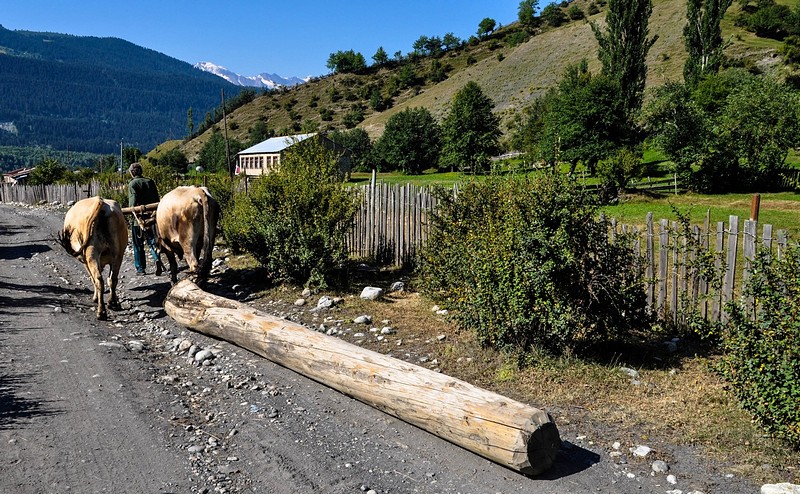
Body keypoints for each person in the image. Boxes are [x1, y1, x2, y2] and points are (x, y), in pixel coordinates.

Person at [127, 162, 165, 275]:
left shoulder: (132, 184)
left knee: (138, 244)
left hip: (138, 220)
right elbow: (157, 199)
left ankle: (140, 268)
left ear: (132, 173)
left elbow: (132, 204)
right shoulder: (150, 182)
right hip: (152, 218)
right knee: (152, 241)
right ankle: (156, 258)